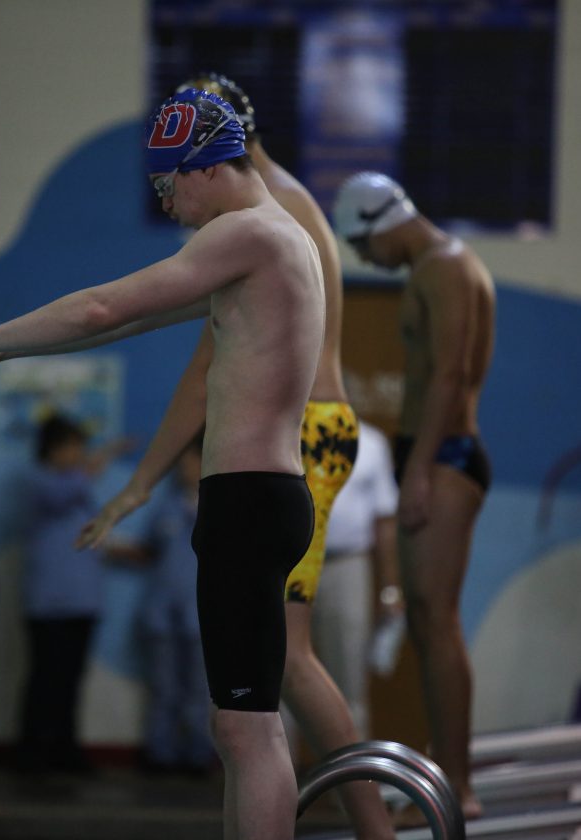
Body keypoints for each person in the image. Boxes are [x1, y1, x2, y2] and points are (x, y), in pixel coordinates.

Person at [0, 88, 323, 840]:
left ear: (204, 166)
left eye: (167, 183)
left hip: (249, 500)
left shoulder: (251, 233)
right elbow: (126, 319)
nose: (166, 201)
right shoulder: (274, 242)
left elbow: (105, 305)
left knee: (248, 730)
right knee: (237, 727)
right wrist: (12, 344)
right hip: (259, 498)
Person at [174, 73, 392, 838]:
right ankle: (370, 825)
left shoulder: (259, 211)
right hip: (318, 428)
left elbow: (204, 368)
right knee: (278, 674)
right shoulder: (281, 198)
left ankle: (376, 828)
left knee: (284, 669)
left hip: (304, 430)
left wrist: (141, 478)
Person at [334, 171, 496, 820]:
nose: (366, 261)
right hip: (438, 454)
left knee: (437, 620)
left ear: (379, 223)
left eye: (363, 247)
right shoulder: (440, 266)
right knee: (429, 626)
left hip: (446, 455)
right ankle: (448, 773)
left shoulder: (443, 267)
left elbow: (451, 374)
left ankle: (459, 784)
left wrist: (420, 469)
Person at [15, 413, 127, 775]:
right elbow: (64, 493)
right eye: (74, 446)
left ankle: (64, 750)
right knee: (45, 679)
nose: (80, 454)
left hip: (82, 602)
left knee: (70, 682)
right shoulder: (40, 482)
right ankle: (33, 753)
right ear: (54, 448)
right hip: (49, 605)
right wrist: (104, 456)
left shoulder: (80, 491)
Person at [313, 419, 401, 740]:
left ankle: (353, 785)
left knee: (349, 679)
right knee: (278, 682)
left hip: (348, 564)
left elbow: (384, 520)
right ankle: (280, 785)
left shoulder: (372, 443)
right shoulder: (289, 430)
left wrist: (390, 588)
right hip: (291, 561)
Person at [138, 436, 213, 776]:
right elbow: (148, 549)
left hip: (202, 614)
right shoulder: (166, 507)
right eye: (181, 463)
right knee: (164, 687)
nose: (185, 469)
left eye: (191, 461)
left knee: (200, 690)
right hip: (162, 612)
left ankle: (199, 754)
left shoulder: (218, 510)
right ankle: (161, 753)